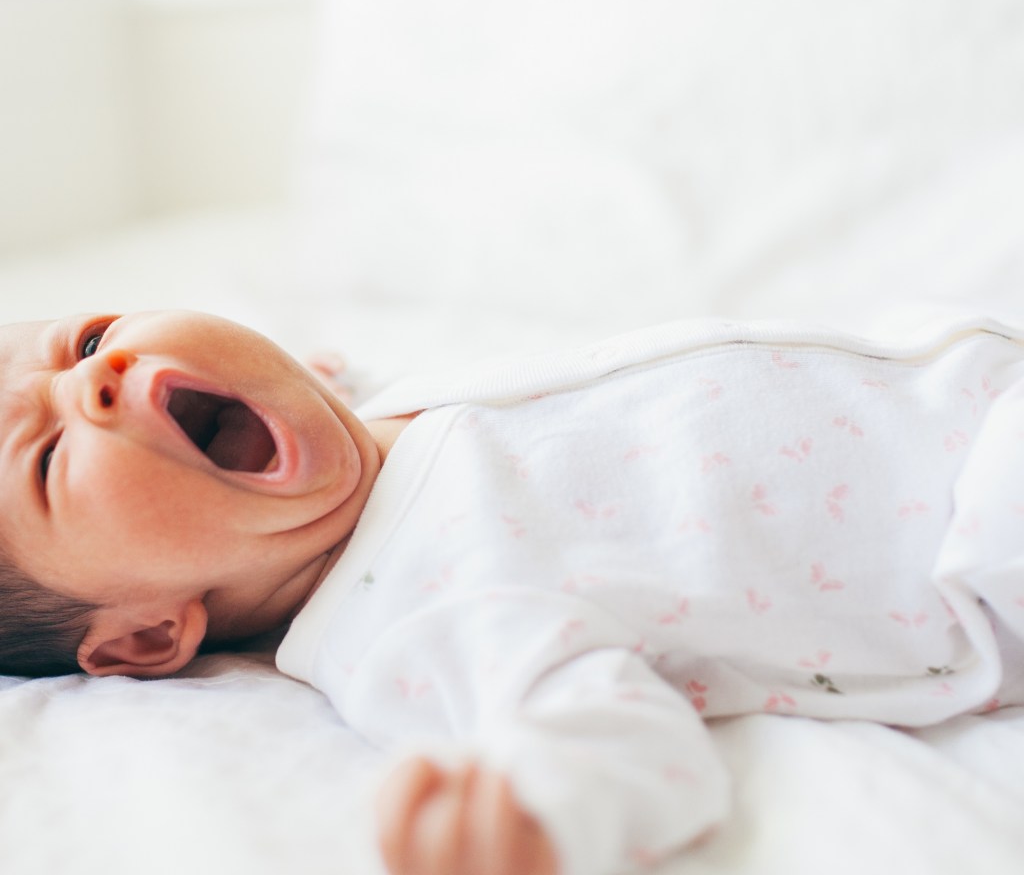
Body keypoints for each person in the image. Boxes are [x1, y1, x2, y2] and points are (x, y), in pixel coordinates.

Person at [3, 308, 1024, 875]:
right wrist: (538, 814)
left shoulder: (385, 413)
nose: (99, 376)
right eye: (49, 461)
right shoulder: (411, 614)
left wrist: (329, 381)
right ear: (143, 638)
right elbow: (607, 737)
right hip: (974, 543)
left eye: (86, 341)